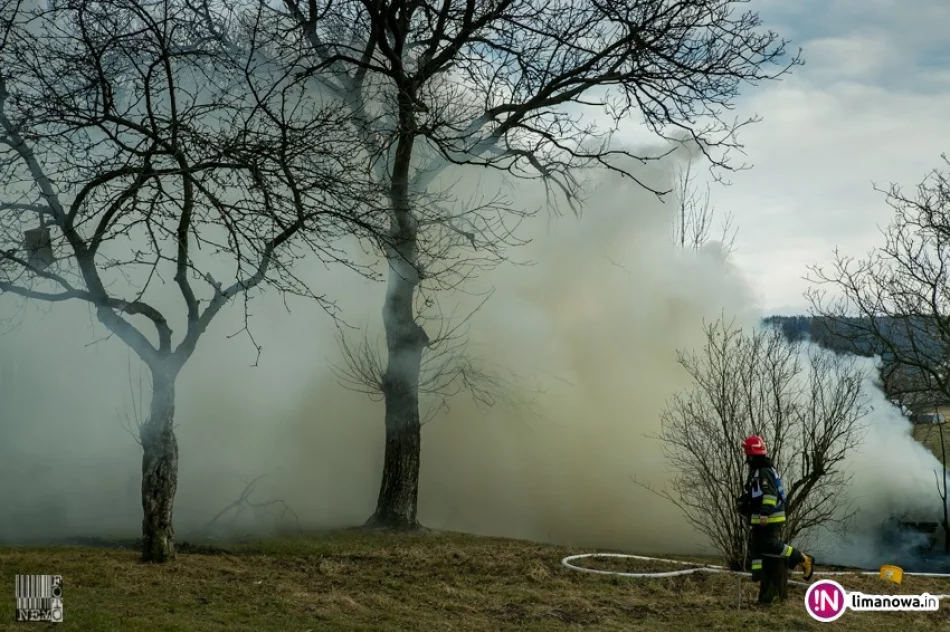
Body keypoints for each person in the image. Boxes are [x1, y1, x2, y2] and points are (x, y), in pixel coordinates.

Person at [736, 435, 814, 582]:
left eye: (747, 453)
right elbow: (756, 493)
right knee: (756, 546)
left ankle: (803, 559)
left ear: (752, 454)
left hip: (770, 517)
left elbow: (770, 494)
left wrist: (764, 513)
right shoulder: (757, 470)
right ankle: (758, 575)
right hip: (759, 517)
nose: (746, 457)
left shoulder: (764, 471)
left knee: (771, 544)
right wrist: (745, 502)